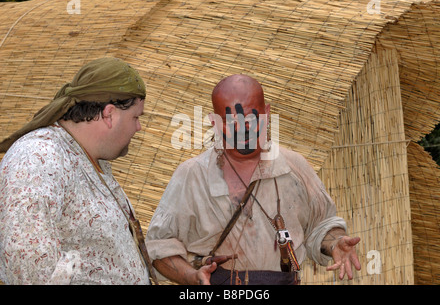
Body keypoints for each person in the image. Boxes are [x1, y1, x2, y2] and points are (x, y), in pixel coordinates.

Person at [146, 74, 361, 285]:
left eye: (251, 118)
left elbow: (322, 224)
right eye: (231, 121)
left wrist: (335, 242)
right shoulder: (192, 176)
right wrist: (192, 277)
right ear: (214, 122)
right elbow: (159, 245)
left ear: (266, 112)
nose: (243, 128)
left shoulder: (294, 167)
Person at [0, 57, 155, 285]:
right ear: (109, 114)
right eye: (136, 117)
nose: (138, 127)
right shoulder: (39, 157)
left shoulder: (84, 156)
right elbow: (30, 268)